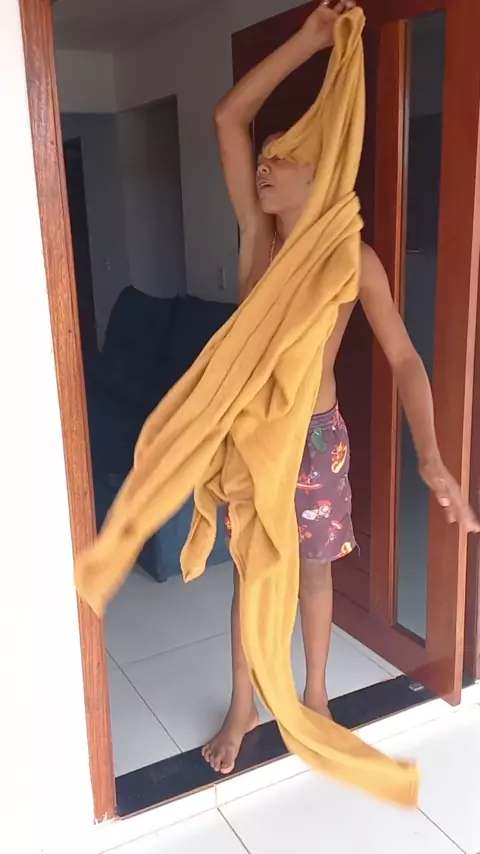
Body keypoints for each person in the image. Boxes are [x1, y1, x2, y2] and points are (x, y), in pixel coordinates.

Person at [201, 0, 480, 776]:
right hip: (255, 438)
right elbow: (229, 117)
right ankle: (244, 704)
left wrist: (430, 453)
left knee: (316, 570)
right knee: (255, 573)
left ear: (318, 173)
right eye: (266, 156)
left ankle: (317, 698)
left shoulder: (354, 262)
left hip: (318, 439)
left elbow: (406, 358)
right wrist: (307, 39)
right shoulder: (257, 241)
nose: (265, 165)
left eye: (283, 157)